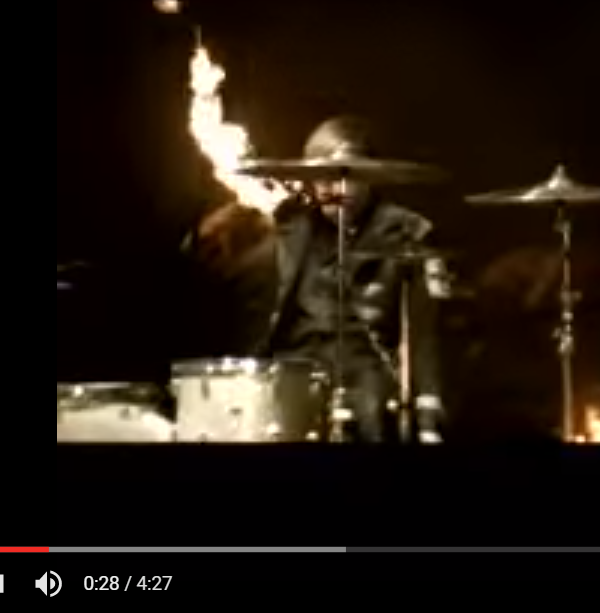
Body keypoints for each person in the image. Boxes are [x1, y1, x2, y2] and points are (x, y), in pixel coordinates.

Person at [191, 115, 446, 443]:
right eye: (322, 178)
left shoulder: (406, 233)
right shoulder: (293, 232)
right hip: (296, 372)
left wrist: (428, 411)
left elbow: (425, 335)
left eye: (347, 178)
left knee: (367, 395)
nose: (333, 188)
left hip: (367, 375)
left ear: (370, 178)